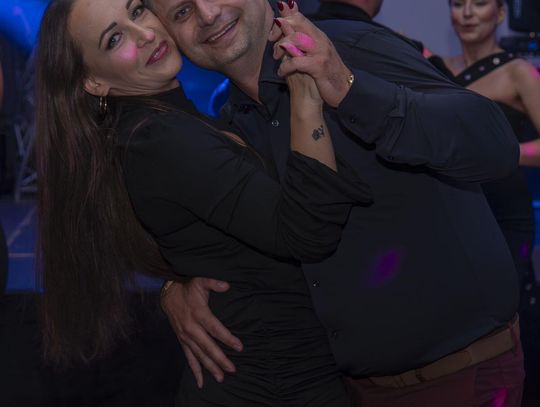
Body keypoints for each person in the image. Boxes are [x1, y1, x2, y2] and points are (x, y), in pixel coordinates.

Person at [151, 0, 526, 405]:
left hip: (458, 377)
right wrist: (174, 285)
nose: (208, 14)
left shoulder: (350, 46)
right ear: (171, 37)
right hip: (346, 388)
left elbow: (493, 145)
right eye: (182, 12)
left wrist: (348, 88)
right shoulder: (231, 126)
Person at [36, 0, 373, 405]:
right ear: (93, 81)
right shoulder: (156, 139)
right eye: (114, 39)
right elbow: (308, 231)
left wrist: (173, 286)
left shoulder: (160, 125)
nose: (145, 34)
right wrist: (305, 93)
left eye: (137, 10)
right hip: (278, 385)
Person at [427, 0, 540, 404]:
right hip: (449, 212)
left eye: (479, 3)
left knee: (506, 321)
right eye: (458, 4)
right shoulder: (434, 67)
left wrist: (499, 153)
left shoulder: (518, 71)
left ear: (501, 13)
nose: (468, 13)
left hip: (503, 215)